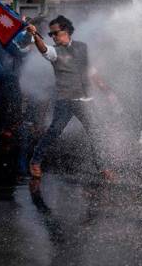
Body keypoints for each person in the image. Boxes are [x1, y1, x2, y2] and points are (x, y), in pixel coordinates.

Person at [25, 16, 115, 181]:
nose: (52, 37)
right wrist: (35, 35)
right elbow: (43, 48)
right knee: (55, 131)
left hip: (85, 100)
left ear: (66, 31)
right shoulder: (54, 51)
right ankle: (35, 161)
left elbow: (91, 71)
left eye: (54, 33)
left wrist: (106, 90)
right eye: (50, 34)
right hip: (65, 100)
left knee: (95, 132)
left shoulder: (81, 48)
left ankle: (103, 167)